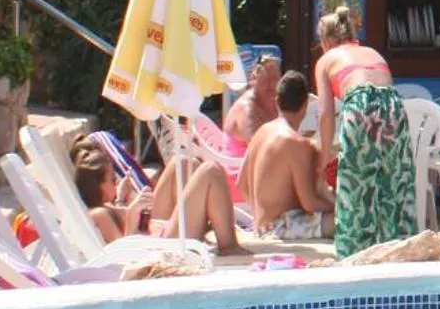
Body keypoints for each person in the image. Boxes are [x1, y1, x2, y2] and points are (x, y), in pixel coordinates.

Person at [313, 5, 415, 257]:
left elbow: (325, 114)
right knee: (395, 183)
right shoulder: (372, 52)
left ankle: (354, 255)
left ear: (325, 41)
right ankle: (400, 250)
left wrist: (323, 158)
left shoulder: (326, 60)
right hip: (393, 105)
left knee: (356, 187)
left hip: (360, 104)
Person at [71, 133, 244, 254]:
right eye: (112, 180)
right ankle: (229, 246)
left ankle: (198, 222)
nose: (116, 182)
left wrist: (122, 201)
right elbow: (124, 256)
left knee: (181, 162)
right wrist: (131, 215)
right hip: (161, 248)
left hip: (154, 234)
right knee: (210, 170)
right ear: (98, 186)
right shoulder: (98, 214)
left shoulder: (105, 208)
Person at [238, 72, 334, 241]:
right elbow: (310, 204)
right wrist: (339, 207)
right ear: (305, 105)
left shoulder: (262, 132)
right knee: (346, 222)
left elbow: (242, 184)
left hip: (261, 227)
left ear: (277, 102)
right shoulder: (297, 144)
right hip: (281, 228)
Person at [222, 55, 282, 145]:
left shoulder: (274, 102)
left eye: (275, 79)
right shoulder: (247, 107)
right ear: (253, 79)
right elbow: (255, 145)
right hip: (239, 157)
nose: (271, 84)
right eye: (266, 79)